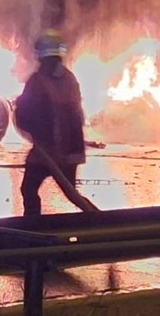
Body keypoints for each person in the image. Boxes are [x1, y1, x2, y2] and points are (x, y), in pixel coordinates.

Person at [13, 29, 99, 217]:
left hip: (48, 151)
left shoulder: (38, 81)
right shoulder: (69, 78)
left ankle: (33, 226)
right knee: (71, 194)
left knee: (29, 189)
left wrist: (20, 110)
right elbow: (74, 114)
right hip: (69, 150)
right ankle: (99, 219)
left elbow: (27, 113)